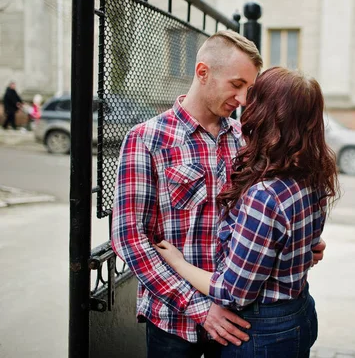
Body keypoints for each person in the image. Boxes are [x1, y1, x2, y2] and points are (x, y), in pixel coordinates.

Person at [111, 31, 327, 358]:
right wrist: (199, 307)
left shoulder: (246, 140)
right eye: (236, 84)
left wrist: (295, 244)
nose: (243, 100)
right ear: (203, 73)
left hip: (239, 323)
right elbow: (129, 237)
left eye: (249, 90)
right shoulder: (147, 140)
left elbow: (268, 218)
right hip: (175, 321)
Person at [155, 67, 339, 357]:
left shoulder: (264, 195)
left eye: (252, 96)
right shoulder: (314, 173)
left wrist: (178, 263)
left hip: (262, 329)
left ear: (266, 113)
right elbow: (298, 240)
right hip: (297, 310)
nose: (243, 102)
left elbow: (233, 292)